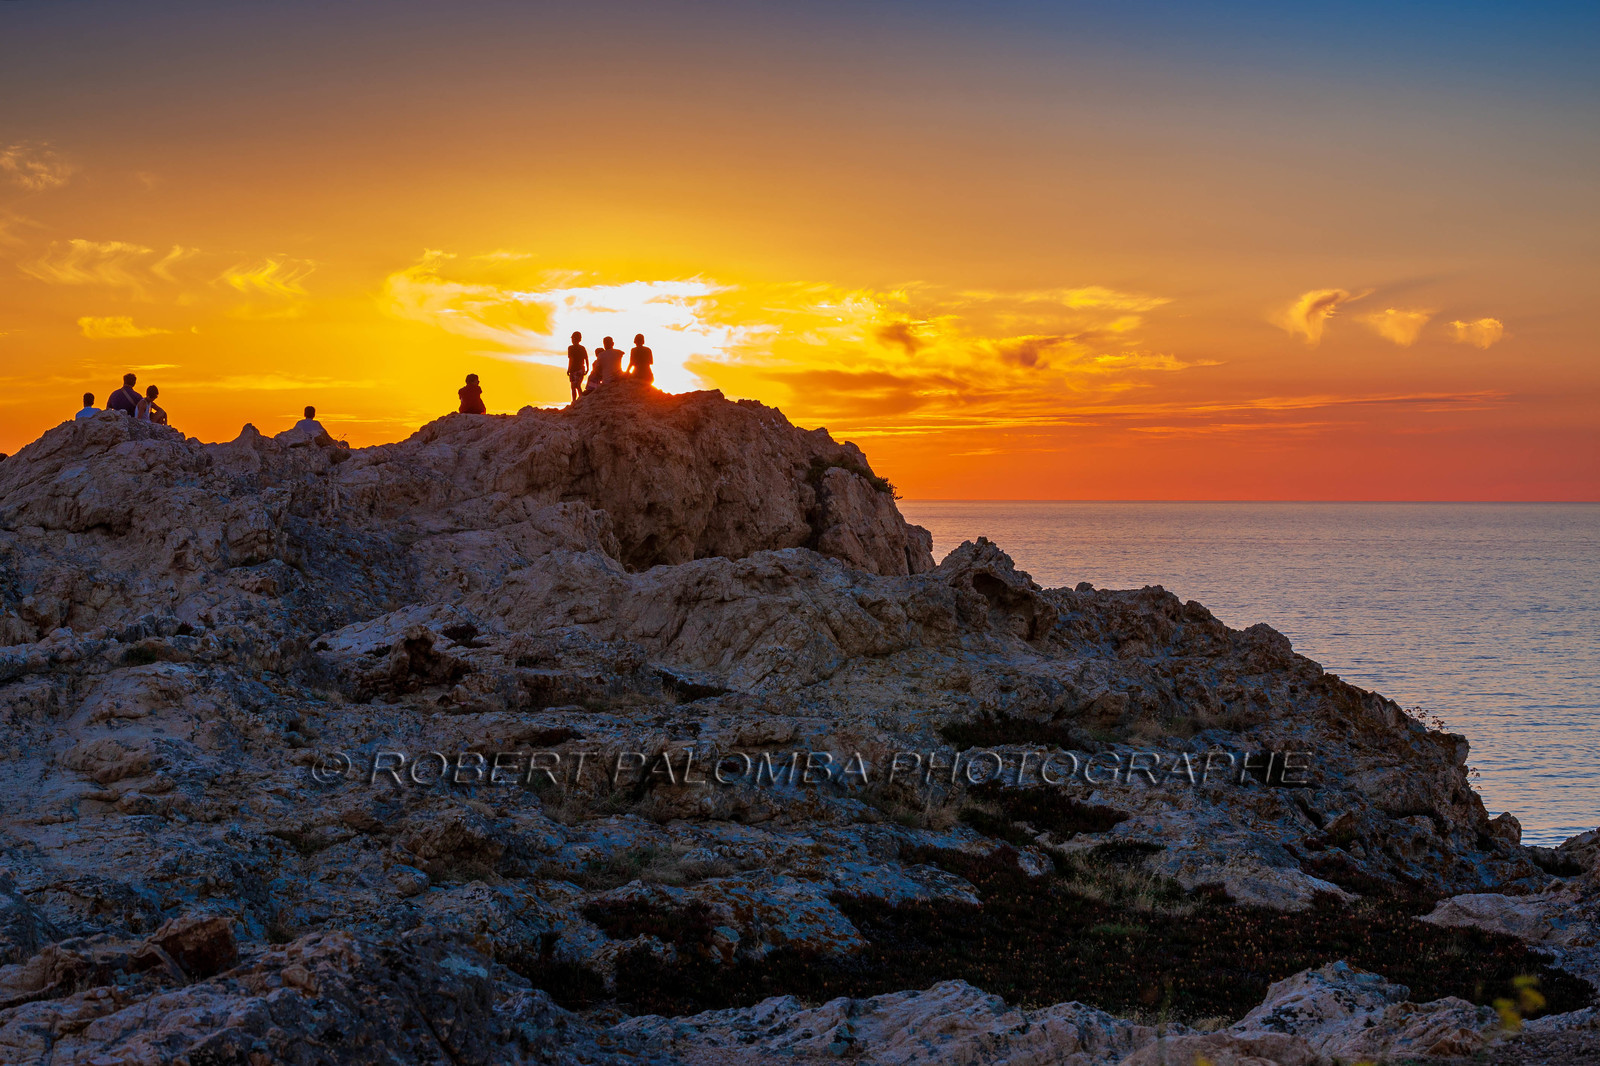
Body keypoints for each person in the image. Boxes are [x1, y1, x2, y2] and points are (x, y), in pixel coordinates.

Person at [567, 331, 589, 402]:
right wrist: (587, 368)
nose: (572, 340)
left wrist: (568, 369)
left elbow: (571, 359)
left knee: (574, 386)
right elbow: (586, 358)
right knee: (576, 385)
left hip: (574, 369)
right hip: (580, 369)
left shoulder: (571, 348)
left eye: (573, 339)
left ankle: (576, 400)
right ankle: (579, 400)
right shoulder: (582, 348)